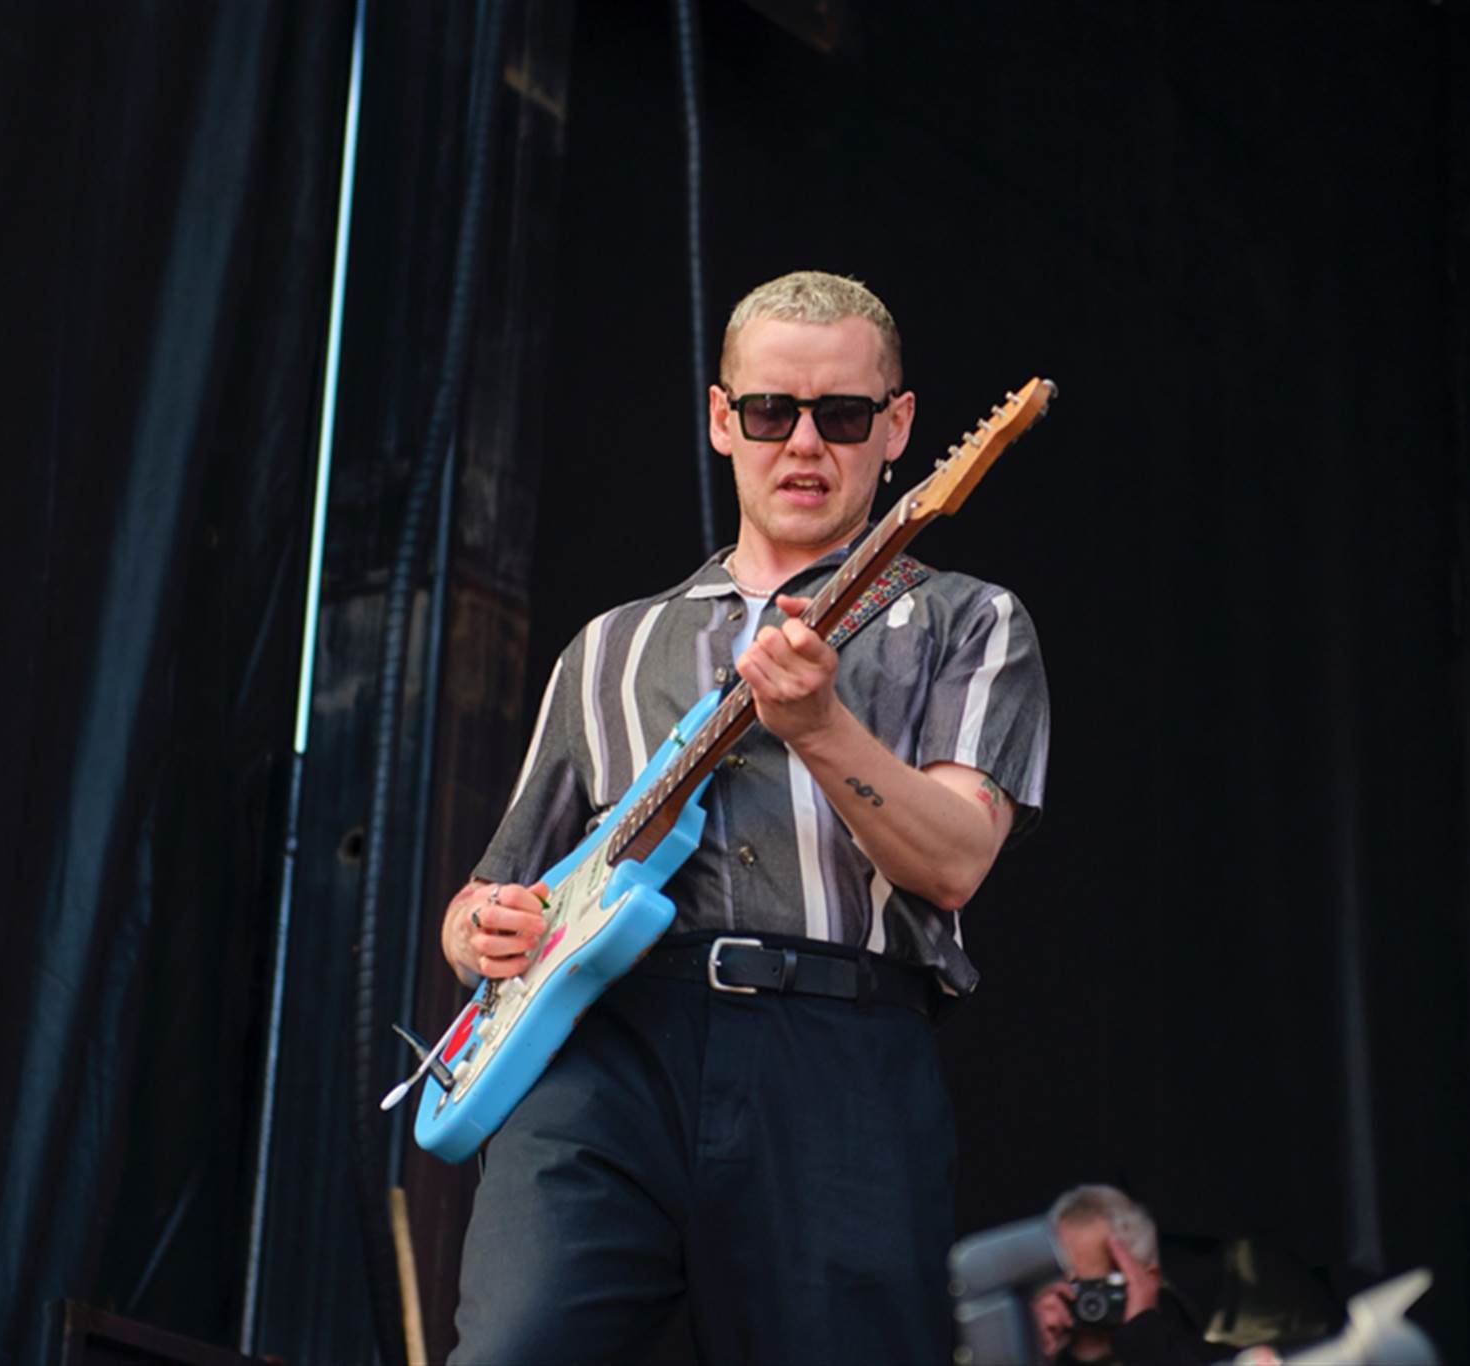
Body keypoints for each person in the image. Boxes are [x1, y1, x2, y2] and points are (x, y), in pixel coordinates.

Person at [438, 270, 1050, 1364]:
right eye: (771, 411)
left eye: (842, 415)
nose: (803, 443)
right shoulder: (610, 648)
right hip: (607, 1046)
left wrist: (820, 726)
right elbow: (492, 889)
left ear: (898, 426)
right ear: (722, 419)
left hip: (835, 1048)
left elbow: (955, 863)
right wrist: (479, 929)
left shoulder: (967, 620)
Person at [1033, 1186, 1215, 1366]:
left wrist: (1144, 1339)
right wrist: (1031, 1349)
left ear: (1147, 1280)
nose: (1073, 1299)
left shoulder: (1215, 1360)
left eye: (1091, 1287)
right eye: (1063, 1283)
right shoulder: (1034, 1350)